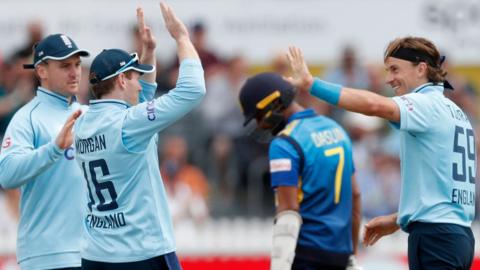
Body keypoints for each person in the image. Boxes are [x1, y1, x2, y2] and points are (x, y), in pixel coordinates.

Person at [285, 37, 476, 269]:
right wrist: (399, 219)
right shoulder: (454, 111)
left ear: (421, 68)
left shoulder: (426, 105)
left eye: (395, 69)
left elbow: (375, 105)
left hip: (436, 237)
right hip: (456, 236)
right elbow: (441, 193)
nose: (389, 78)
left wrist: (311, 84)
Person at [74, 3, 205, 269]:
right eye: (134, 77)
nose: (139, 82)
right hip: (141, 253)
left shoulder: (82, 120)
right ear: (122, 80)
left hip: (95, 253)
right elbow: (193, 89)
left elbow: (143, 98)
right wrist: (181, 38)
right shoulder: (128, 122)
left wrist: (150, 54)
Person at [238, 72, 362, 270]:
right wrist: (352, 253)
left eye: (259, 116)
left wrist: (279, 265)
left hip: (306, 253)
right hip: (340, 252)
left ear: (272, 105)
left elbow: (288, 210)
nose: (260, 124)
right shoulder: (335, 128)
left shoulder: (284, 143)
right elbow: (355, 195)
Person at [0, 33, 88, 270]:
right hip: (48, 256)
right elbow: (6, 174)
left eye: (78, 65)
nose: (75, 72)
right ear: (42, 71)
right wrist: (54, 149)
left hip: (93, 252)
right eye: (65, 66)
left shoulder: (89, 115)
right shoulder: (27, 117)